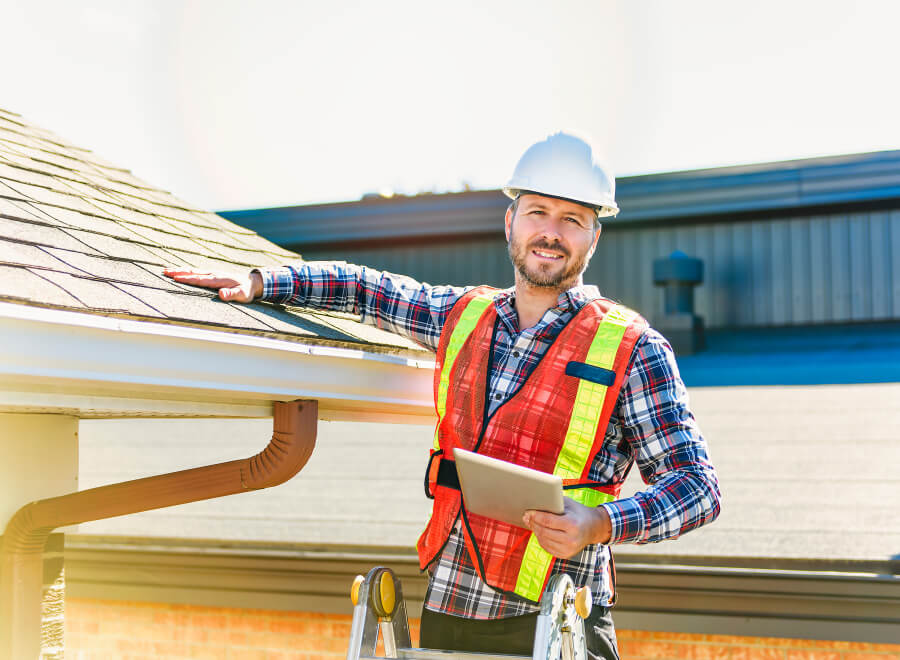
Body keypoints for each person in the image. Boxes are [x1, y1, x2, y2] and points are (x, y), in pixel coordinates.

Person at [165, 132, 721, 659]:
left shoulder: (632, 347)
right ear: (510, 222)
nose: (551, 232)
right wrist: (263, 282)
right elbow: (367, 290)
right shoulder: (465, 315)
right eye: (537, 213)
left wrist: (601, 524)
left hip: (558, 621)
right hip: (449, 604)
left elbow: (698, 488)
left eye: (572, 219)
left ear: (593, 237)